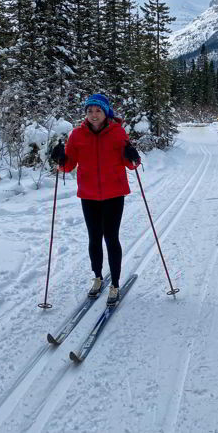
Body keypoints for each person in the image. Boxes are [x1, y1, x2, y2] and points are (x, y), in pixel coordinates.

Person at [51, 93, 141, 306]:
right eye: (90, 111)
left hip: (114, 193)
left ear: (106, 112)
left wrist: (132, 155)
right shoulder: (76, 135)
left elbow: (132, 165)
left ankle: (115, 284)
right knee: (94, 238)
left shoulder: (118, 133)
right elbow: (68, 166)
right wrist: (60, 159)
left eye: (98, 110)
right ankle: (98, 277)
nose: (93, 115)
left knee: (111, 237)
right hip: (89, 194)